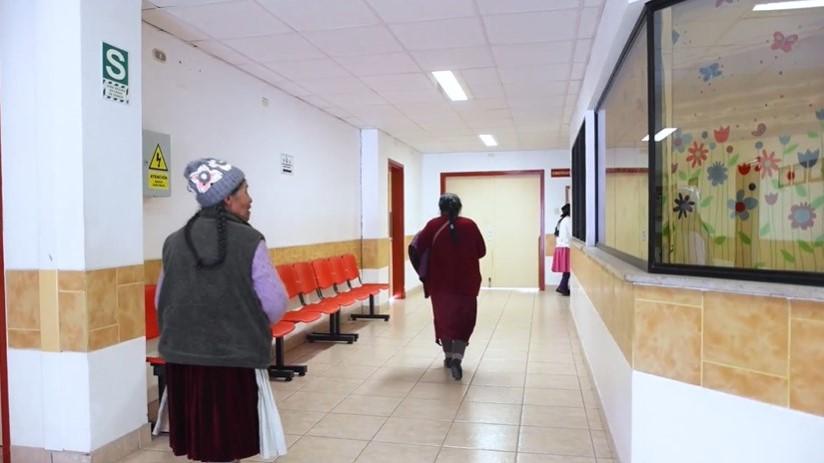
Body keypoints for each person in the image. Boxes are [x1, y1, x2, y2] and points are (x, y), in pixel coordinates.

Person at [156, 158, 288, 462]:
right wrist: (247, 323)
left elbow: (162, 299)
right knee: (227, 439)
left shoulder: (174, 241)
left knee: (202, 439)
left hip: (183, 358)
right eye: (245, 190)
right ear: (228, 198)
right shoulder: (250, 239)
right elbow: (274, 303)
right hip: (233, 358)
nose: (250, 199)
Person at [410, 193, 485, 381]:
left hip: (440, 284)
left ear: (440, 207)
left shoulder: (432, 225)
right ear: (459, 207)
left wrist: (424, 272)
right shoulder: (470, 225)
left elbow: (417, 248)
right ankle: (457, 359)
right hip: (467, 284)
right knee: (464, 320)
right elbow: (481, 251)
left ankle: (448, 356)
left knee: (444, 319)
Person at [552, 203, 572, 296]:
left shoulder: (561, 220)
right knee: (568, 269)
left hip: (560, 247)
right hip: (565, 247)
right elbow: (571, 234)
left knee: (567, 269)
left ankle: (562, 286)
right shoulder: (568, 220)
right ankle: (563, 286)